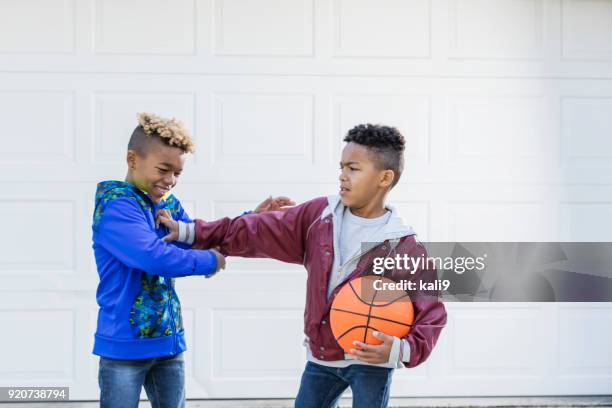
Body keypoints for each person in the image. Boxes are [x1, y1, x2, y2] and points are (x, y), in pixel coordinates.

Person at [159, 123, 447, 408]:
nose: (342, 176)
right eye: (342, 167)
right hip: (321, 357)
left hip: (371, 359)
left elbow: (432, 312)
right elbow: (254, 230)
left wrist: (399, 349)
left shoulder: (404, 245)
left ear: (384, 178)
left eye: (354, 169)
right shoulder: (319, 217)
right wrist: (191, 232)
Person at [92, 112, 292, 408]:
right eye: (163, 169)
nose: (170, 180)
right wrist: (210, 262)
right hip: (124, 347)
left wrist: (253, 220)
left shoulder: (168, 205)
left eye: (177, 173)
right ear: (132, 160)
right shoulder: (117, 206)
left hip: (168, 343)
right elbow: (153, 256)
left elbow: (200, 236)